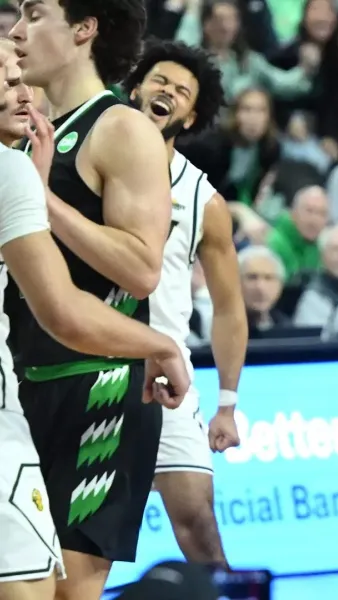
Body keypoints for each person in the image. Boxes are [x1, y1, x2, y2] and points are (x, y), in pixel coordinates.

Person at [0, 43, 188, 600]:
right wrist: (159, 344)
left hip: (93, 385)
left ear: (86, 31)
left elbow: (140, 271)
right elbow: (62, 308)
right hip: (39, 374)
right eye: (8, 79)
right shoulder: (14, 164)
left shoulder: (120, 130)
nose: (22, 87)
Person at [123, 39, 248, 567]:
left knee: (198, 523)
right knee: (73, 539)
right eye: (159, 81)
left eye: (181, 90)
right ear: (134, 89)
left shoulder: (203, 198)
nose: (167, 92)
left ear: (191, 114)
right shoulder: (79, 157)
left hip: (165, 376)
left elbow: (230, 306)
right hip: (84, 360)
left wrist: (227, 402)